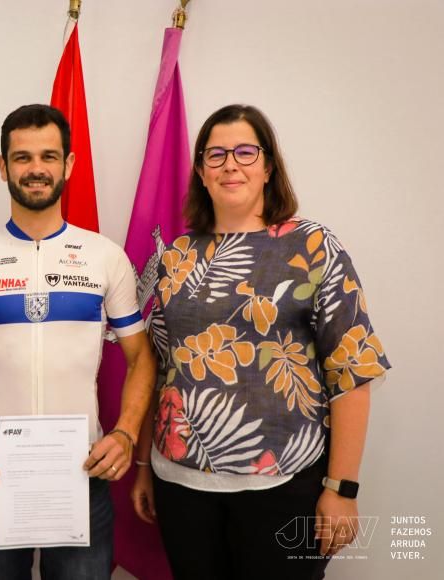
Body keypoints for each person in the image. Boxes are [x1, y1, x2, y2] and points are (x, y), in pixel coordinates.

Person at [131, 104, 390, 580]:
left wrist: (342, 487)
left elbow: (352, 371)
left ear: (269, 167)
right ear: (201, 173)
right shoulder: (178, 256)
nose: (231, 164)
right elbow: (159, 368)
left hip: (285, 485)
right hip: (181, 486)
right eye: (216, 155)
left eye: (246, 152)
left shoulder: (312, 245)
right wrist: (145, 463)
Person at [0, 104, 155, 579]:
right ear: (3, 167)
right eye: (22, 158)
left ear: (68, 165)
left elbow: (142, 357)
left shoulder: (105, 257)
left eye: (49, 156)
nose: (36, 169)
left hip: (83, 468)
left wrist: (126, 433)